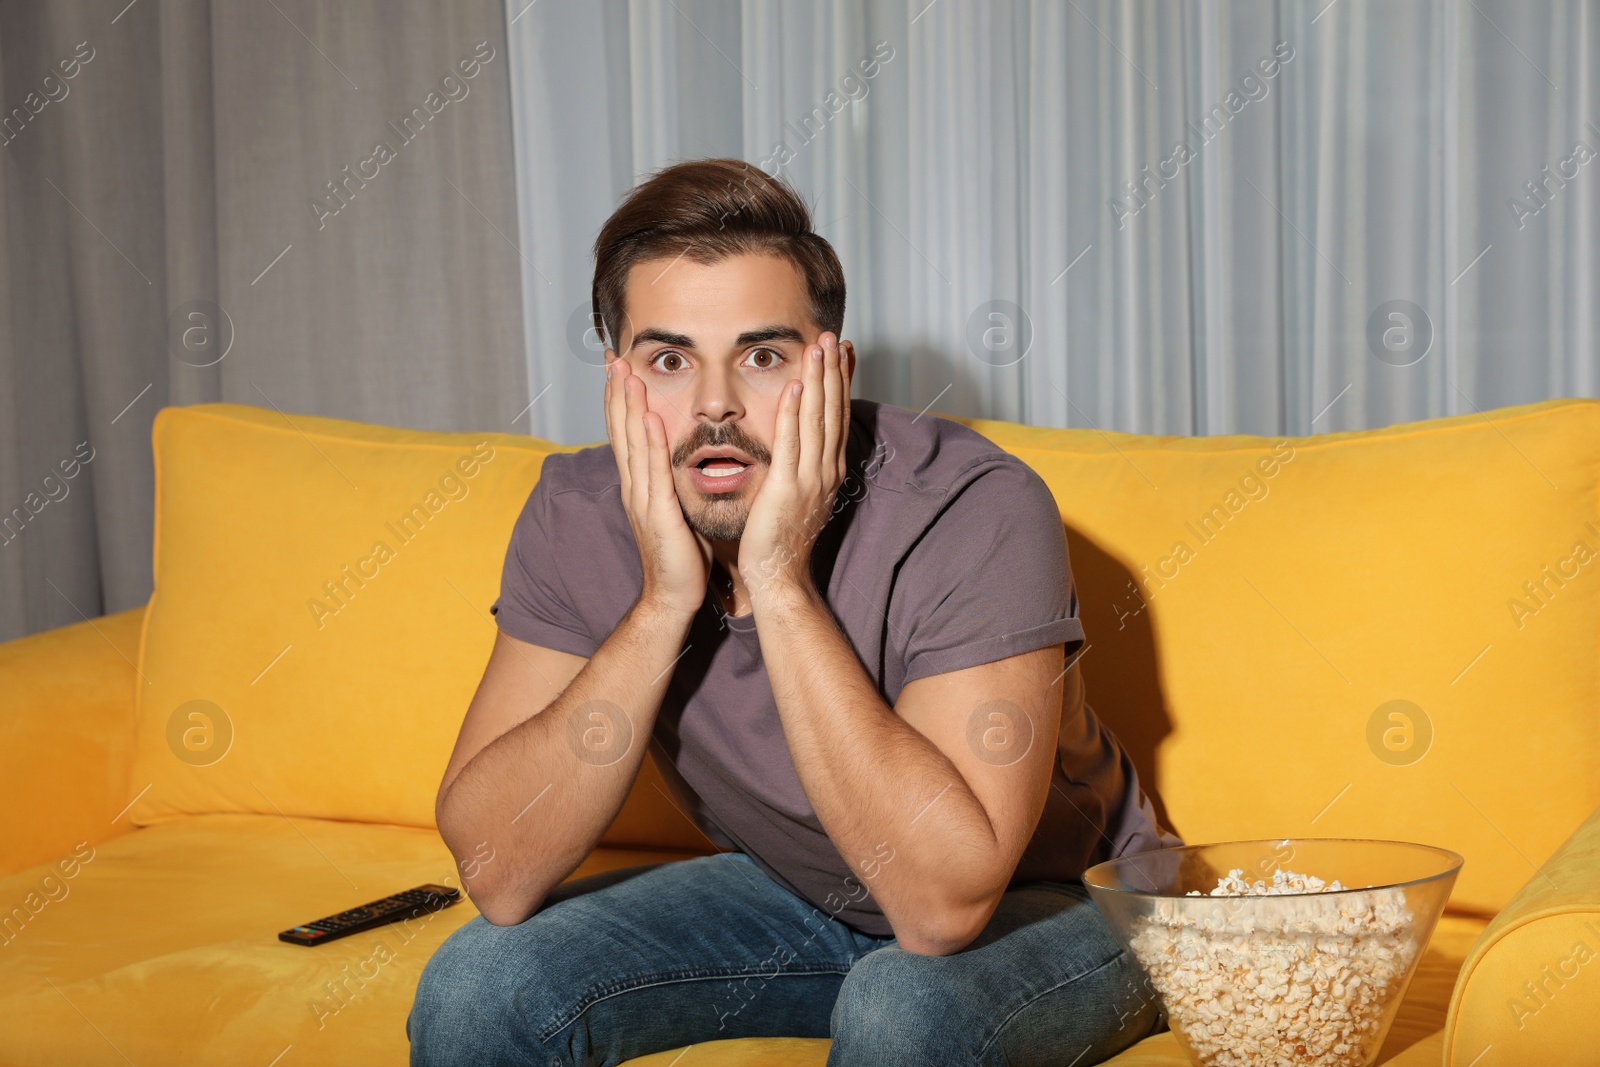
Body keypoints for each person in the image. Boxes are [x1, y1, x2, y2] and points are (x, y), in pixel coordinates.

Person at [408, 157, 1179, 1067]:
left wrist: (776, 577)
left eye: (763, 356)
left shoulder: (976, 505)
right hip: (806, 891)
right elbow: (497, 873)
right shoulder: (575, 512)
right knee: (478, 984)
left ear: (833, 368)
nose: (715, 406)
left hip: (1073, 900)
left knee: (903, 1008)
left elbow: (940, 906)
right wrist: (663, 600)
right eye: (668, 360)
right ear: (619, 382)